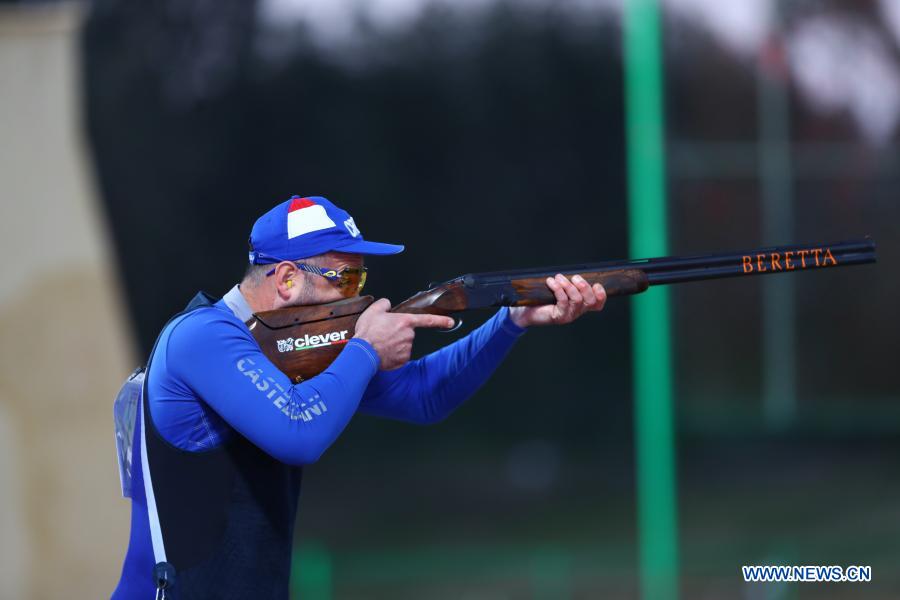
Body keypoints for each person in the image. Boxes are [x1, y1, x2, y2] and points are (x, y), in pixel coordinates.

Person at [112, 195, 606, 599]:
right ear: (285, 280)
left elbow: (424, 395)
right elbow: (298, 433)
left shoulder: (292, 354)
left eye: (360, 278)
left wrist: (512, 321)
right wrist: (366, 349)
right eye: (343, 279)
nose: (356, 295)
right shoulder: (200, 338)